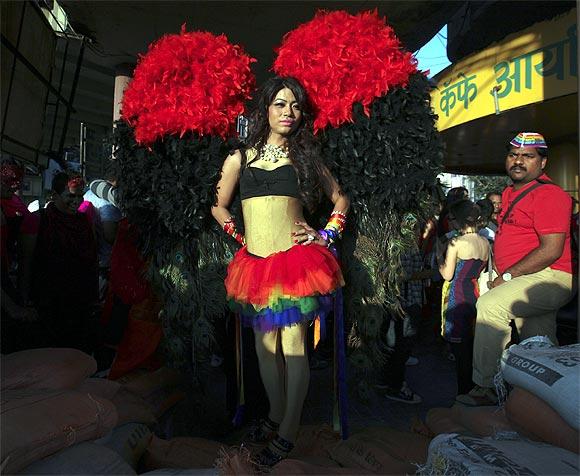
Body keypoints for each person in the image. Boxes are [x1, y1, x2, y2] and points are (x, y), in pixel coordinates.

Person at [211, 76, 349, 465]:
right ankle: (275, 416)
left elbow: (341, 198)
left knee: (293, 348)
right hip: (254, 268)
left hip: (295, 265)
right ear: (264, 110)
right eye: (280, 104)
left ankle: (287, 432)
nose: (288, 112)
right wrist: (239, 236)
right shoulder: (240, 157)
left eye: (295, 106)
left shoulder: (306, 157)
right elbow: (218, 205)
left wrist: (326, 234)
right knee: (264, 350)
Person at [458, 132, 575, 406]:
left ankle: (485, 387)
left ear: (543, 163)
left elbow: (551, 250)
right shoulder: (510, 193)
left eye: (528, 156)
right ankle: (552, 397)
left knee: (490, 306)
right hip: (528, 280)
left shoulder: (550, 195)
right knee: (539, 344)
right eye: (513, 155)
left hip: (551, 277)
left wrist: (507, 276)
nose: (518, 161)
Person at [32, 173, 99, 353]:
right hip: (50, 299)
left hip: (79, 299)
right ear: (55, 195)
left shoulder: (84, 221)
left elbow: (91, 257)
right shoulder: (41, 219)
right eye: (71, 196)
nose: (77, 201)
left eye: (80, 196)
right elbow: (28, 260)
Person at [438, 199, 489, 396]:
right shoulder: (485, 242)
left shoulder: (456, 243)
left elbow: (447, 275)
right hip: (475, 295)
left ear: (458, 220)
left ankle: (463, 396)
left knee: (461, 353)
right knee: (472, 348)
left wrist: (438, 258)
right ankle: (474, 393)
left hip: (457, 298)